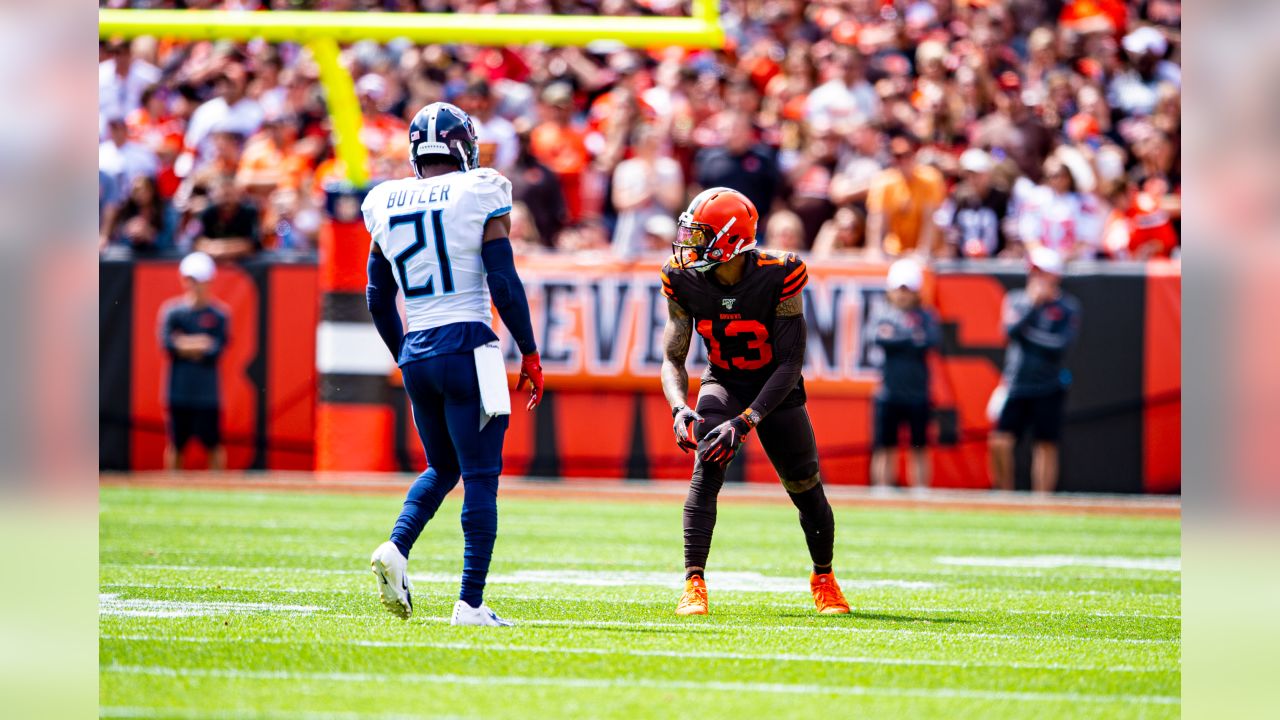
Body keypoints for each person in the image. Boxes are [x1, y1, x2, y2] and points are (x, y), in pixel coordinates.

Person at [364, 102, 544, 627]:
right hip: (469, 342)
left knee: (443, 466)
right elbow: (503, 284)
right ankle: (470, 603)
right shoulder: (481, 188)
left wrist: (404, 352)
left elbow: (377, 295)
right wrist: (530, 351)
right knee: (482, 475)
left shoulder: (384, 199)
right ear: (464, 146)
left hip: (418, 346)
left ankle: (397, 547)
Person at [661, 187, 850, 617]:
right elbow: (672, 358)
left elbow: (790, 362)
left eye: (699, 235)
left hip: (776, 389)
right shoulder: (681, 277)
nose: (688, 244)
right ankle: (693, 583)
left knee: (805, 487)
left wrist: (745, 422)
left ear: (729, 239)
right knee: (706, 466)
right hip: (724, 381)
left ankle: (824, 577)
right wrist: (677, 406)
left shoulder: (780, 272)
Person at [989, 247, 1082, 494]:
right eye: (1034, 272)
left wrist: (1028, 335)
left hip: (1048, 385)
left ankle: (1043, 500)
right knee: (1000, 441)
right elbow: (1009, 332)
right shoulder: (1018, 299)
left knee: (1045, 445)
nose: (1035, 277)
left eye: (1041, 273)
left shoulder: (1068, 307)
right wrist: (1032, 305)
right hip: (1015, 383)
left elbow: (1059, 345)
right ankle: (1005, 495)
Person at [865, 259, 940, 490]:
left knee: (919, 446)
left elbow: (930, 341)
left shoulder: (926, 316)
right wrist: (911, 337)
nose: (903, 295)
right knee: (884, 447)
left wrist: (897, 337)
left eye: (907, 290)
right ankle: (882, 489)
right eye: (900, 289)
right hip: (888, 392)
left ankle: (920, 489)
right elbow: (878, 338)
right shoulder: (882, 314)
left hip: (918, 393)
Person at [159, 252, 228, 472]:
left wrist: (183, 344)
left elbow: (215, 350)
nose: (194, 285)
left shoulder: (219, 315)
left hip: (207, 395)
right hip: (178, 392)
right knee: (176, 444)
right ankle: (171, 491)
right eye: (190, 279)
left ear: (209, 281)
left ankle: (220, 491)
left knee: (213, 444)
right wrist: (199, 343)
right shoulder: (172, 312)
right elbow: (168, 345)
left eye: (198, 280)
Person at [866, 133, 946, 258]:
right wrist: (875, 251)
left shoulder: (930, 179)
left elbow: (929, 219)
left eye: (907, 155)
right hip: (894, 250)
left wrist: (922, 253)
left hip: (928, 251)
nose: (903, 161)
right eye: (897, 156)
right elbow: (878, 220)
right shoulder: (883, 182)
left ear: (915, 155)